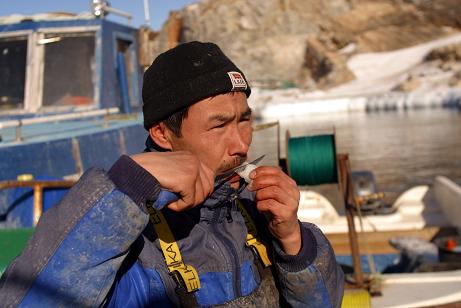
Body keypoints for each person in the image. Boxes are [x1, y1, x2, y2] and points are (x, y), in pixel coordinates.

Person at [0, 41, 344, 307]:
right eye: (219, 124)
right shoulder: (131, 243)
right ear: (163, 134)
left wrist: (294, 243)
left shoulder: (255, 212)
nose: (241, 144)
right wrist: (128, 186)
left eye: (244, 119)